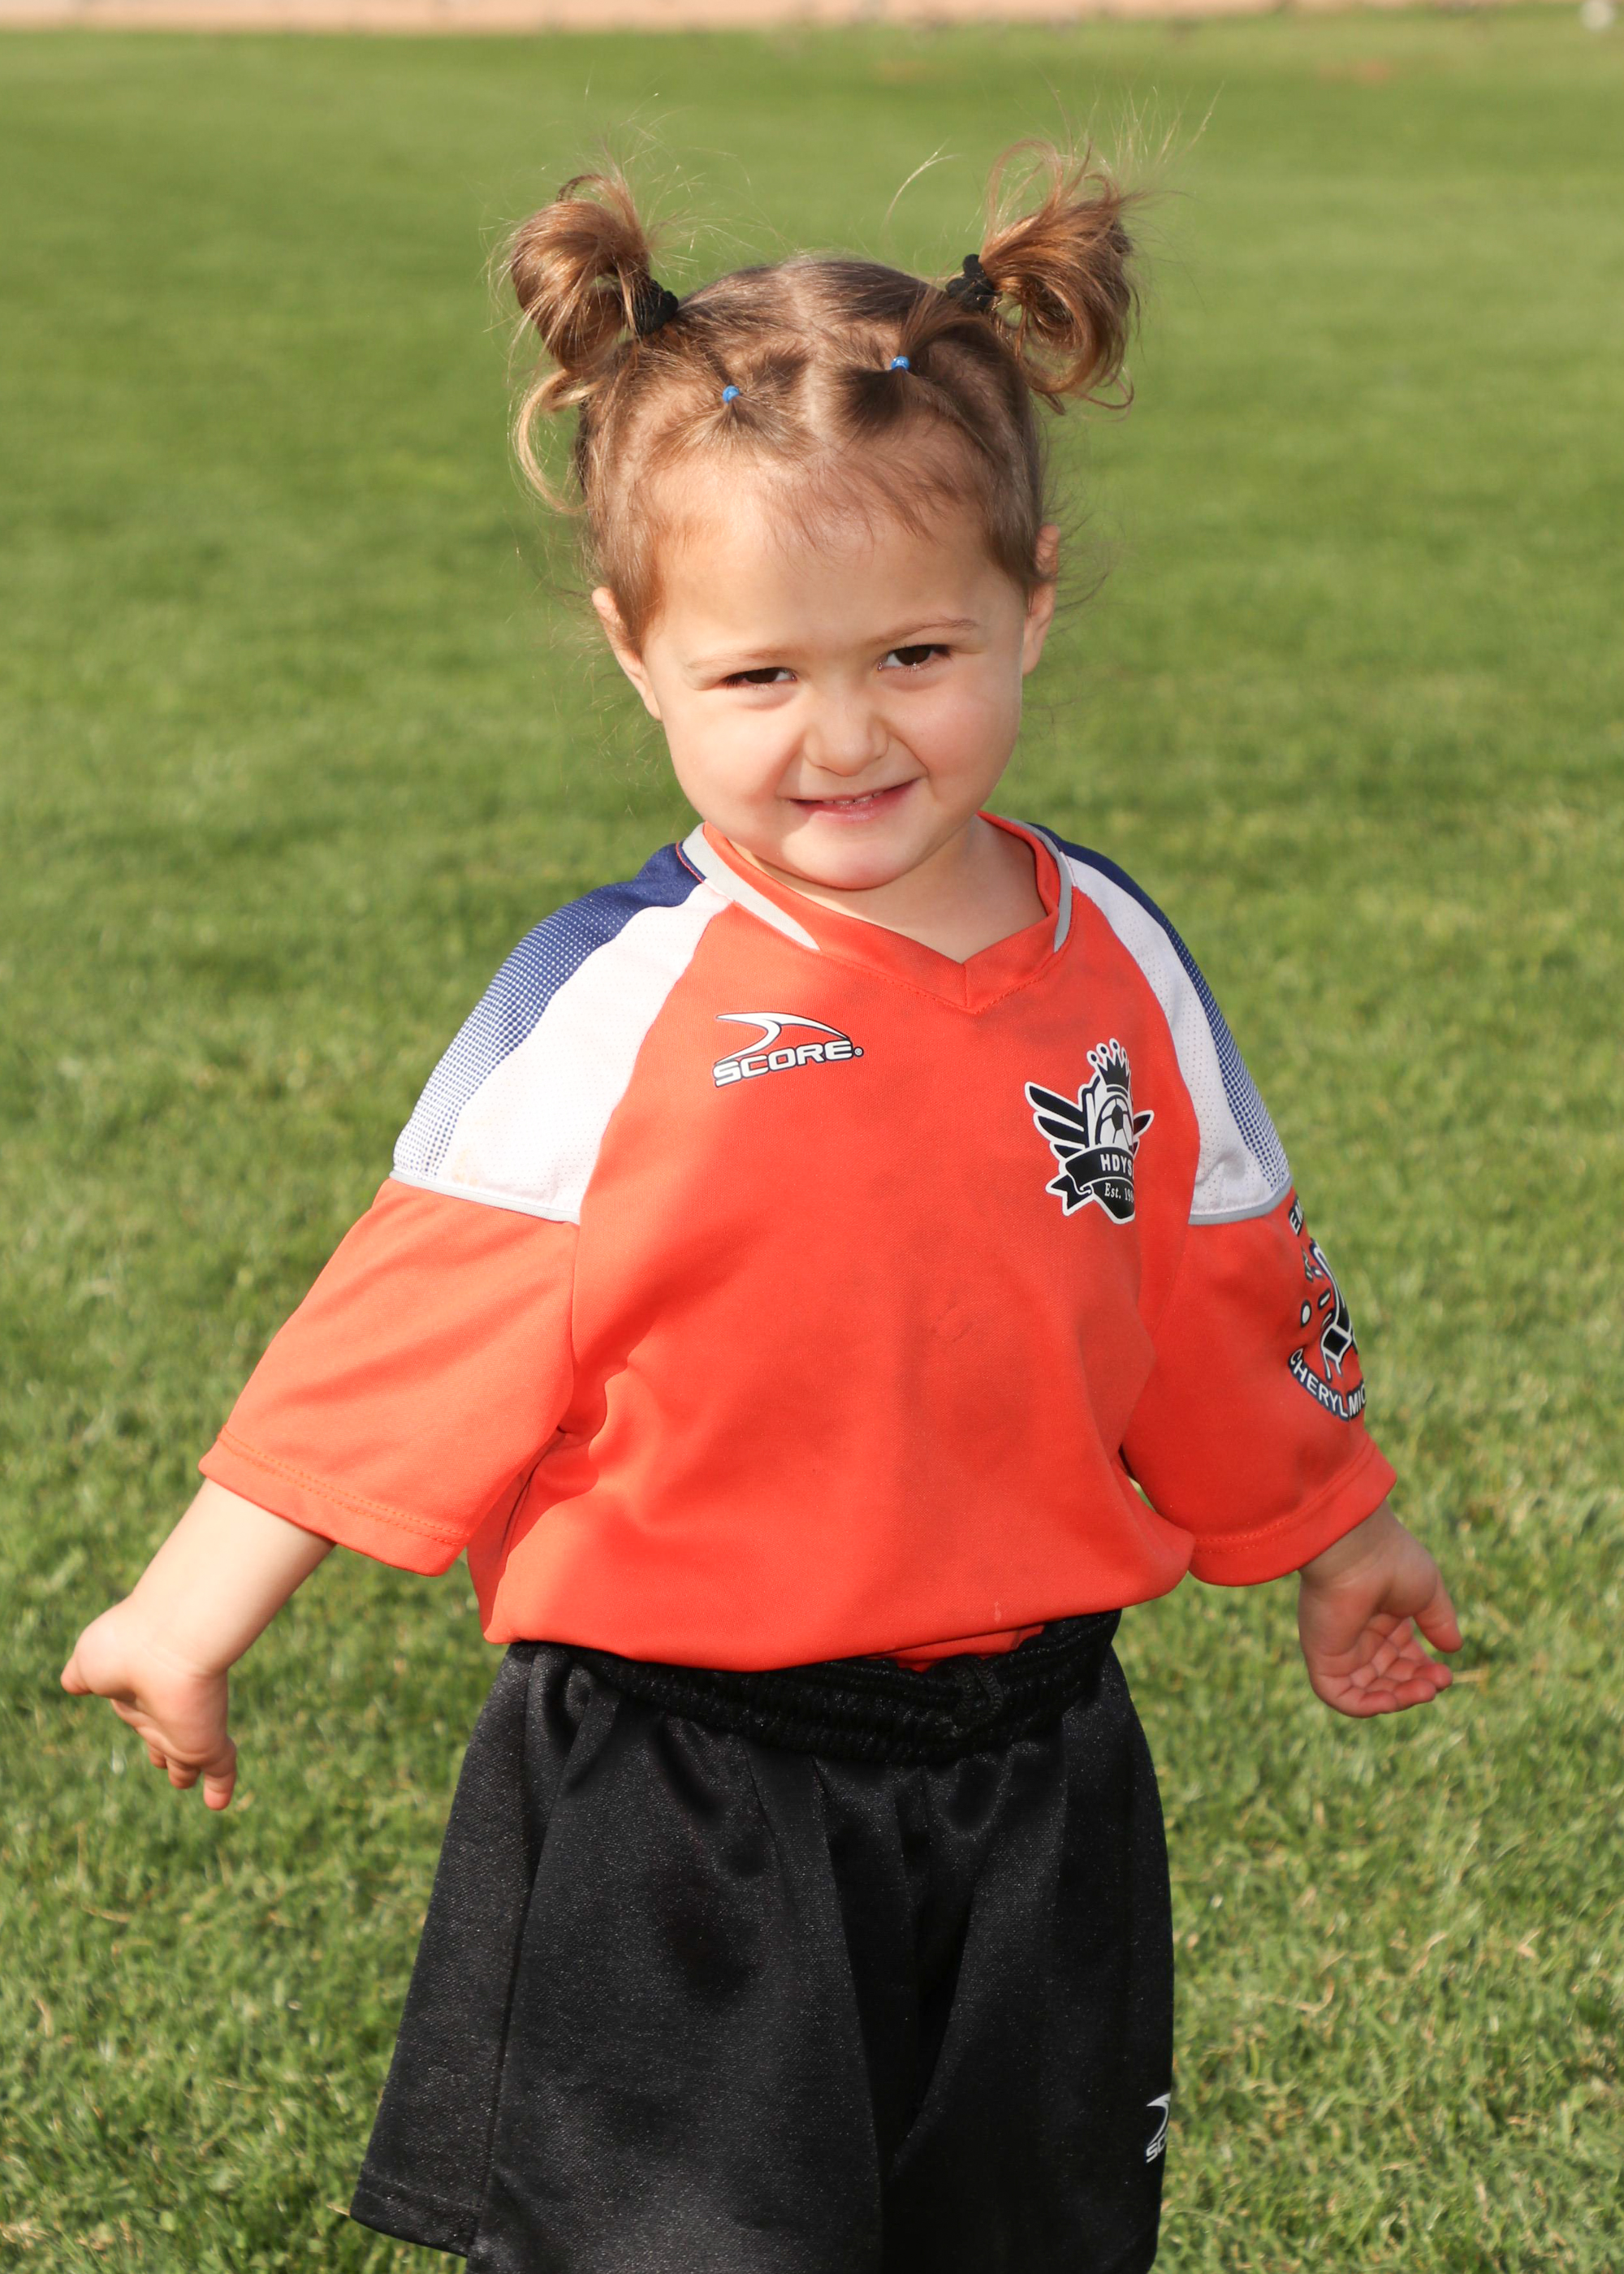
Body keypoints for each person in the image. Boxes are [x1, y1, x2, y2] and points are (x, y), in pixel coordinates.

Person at [61, 142, 1462, 2274]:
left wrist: (1339, 1537)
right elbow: (407, 1336)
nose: (845, 736)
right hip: (684, 1795)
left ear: (1034, 604)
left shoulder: (1117, 955)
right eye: (758, 678)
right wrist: (185, 1618)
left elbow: (1212, 1287)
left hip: (1040, 1767)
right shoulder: (617, 1002)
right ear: (637, 655)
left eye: (916, 650)